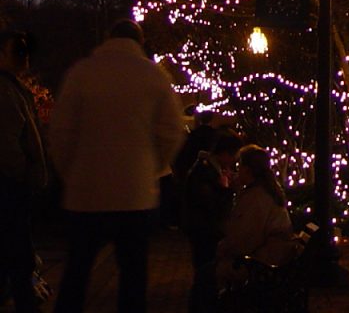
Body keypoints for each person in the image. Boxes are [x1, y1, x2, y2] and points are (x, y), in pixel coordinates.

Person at [51, 19, 186, 313]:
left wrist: (71, 173)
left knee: (77, 273)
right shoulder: (154, 76)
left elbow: (60, 133)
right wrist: (151, 167)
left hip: (86, 192)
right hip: (134, 194)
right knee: (133, 278)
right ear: (140, 42)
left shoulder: (82, 73)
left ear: (108, 38)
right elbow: (172, 131)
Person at [0, 30, 46, 313]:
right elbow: (7, 145)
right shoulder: (5, 91)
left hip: (13, 186)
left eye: (24, 50)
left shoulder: (13, 88)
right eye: (17, 51)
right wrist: (24, 176)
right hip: (9, 187)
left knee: (15, 254)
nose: (24, 55)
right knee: (17, 255)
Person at [216, 146, 294, 289]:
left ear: (247, 169)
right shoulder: (261, 191)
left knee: (207, 275)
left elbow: (246, 238)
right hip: (266, 257)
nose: (236, 171)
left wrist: (224, 248)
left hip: (261, 263)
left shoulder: (257, 198)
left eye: (239, 167)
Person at [181, 132, 240, 313]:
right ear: (225, 154)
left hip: (202, 226)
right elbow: (209, 203)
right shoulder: (205, 171)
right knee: (204, 268)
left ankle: (201, 303)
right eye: (232, 157)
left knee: (204, 269)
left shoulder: (208, 168)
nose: (232, 163)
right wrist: (227, 190)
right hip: (204, 228)